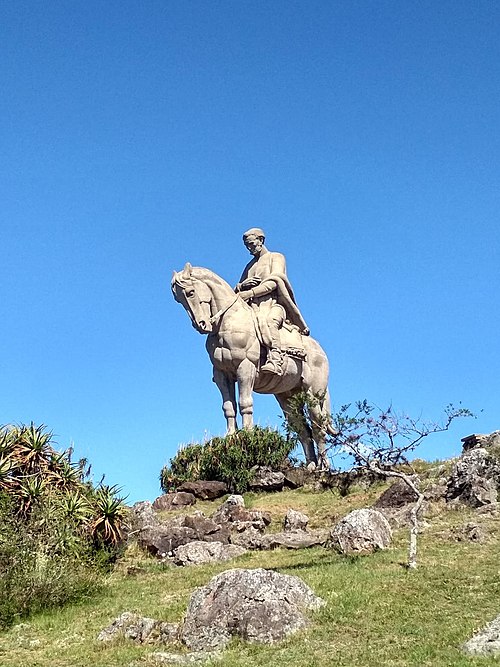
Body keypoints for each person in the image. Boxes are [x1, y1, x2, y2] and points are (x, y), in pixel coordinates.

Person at [235, 228, 310, 375]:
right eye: (247, 246)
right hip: (252, 307)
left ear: (261, 240)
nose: (249, 248)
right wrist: (242, 286)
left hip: (273, 304)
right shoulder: (249, 266)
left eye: (251, 244)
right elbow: (238, 289)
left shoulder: (276, 257)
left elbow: (276, 281)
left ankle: (275, 359)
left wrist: (250, 292)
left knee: (269, 321)